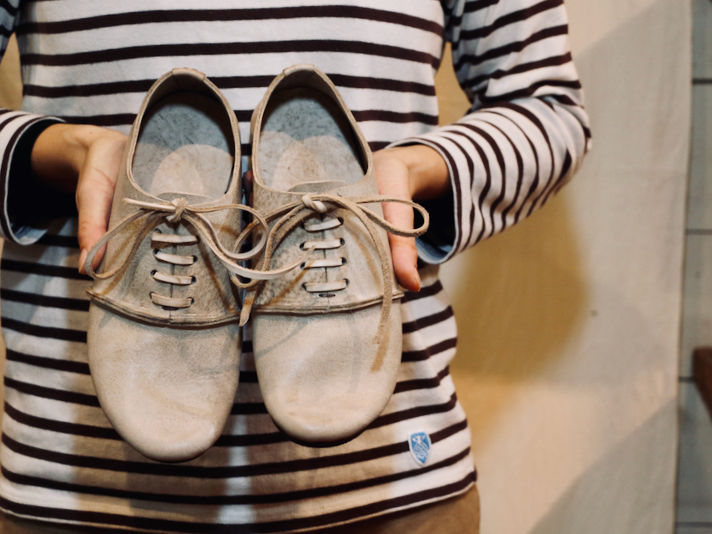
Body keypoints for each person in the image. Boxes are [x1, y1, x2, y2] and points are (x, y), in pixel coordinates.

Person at [0, 1, 590, 532]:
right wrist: (57, 152)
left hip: (395, 484)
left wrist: (420, 168)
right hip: (74, 482)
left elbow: (551, 111)